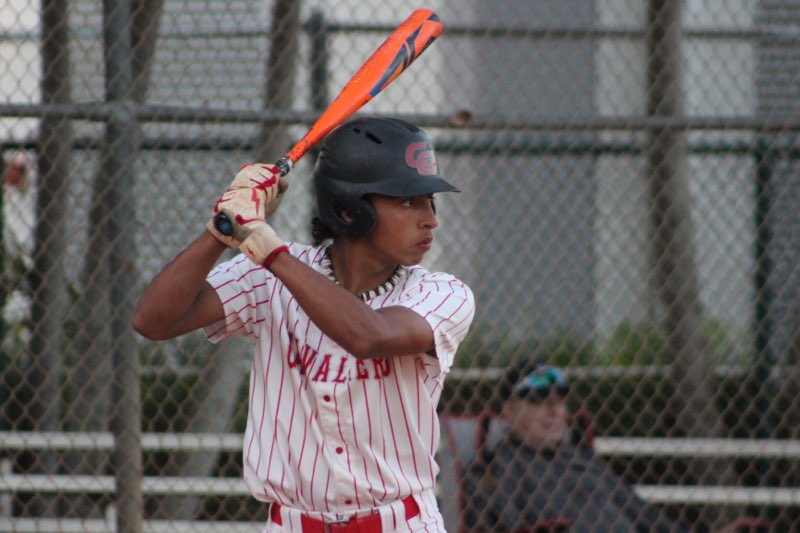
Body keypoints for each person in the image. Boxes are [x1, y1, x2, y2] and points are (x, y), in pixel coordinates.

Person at [132, 116, 475, 532]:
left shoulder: (442, 294)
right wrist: (222, 227)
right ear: (350, 210)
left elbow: (367, 336)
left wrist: (268, 249)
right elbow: (152, 320)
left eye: (429, 202)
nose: (430, 219)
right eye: (408, 202)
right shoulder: (267, 275)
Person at [461, 362, 689, 533]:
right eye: (538, 400)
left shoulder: (584, 458)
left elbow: (644, 514)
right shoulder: (498, 467)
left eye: (559, 400)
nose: (553, 410)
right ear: (508, 412)